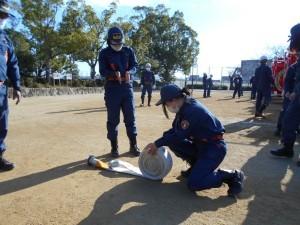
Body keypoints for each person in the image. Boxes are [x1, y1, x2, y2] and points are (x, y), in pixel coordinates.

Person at [144, 84, 244, 197]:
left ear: (173, 100)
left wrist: (157, 144)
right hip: (200, 145)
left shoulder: (192, 111)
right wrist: (159, 142)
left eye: (165, 103)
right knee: (171, 141)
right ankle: (196, 167)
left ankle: (232, 176)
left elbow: (179, 135)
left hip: (214, 148)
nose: (166, 106)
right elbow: (175, 132)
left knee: (194, 183)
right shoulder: (184, 107)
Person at [99, 26, 140, 158]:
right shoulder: (104, 53)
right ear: (109, 40)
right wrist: (112, 73)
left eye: (120, 42)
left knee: (130, 118)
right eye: (114, 43)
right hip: (112, 89)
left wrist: (130, 72)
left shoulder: (128, 51)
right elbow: (102, 71)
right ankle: (114, 147)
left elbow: (135, 66)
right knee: (113, 119)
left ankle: (133, 145)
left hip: (127, 88)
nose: (117, 45)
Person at [271, 23, 300, 160]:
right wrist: (287, 91)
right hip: (295, 98)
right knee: (288, 120)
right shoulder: (295, 66)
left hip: (298, 95)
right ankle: (288, 148)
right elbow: (288, 80)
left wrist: (297, 91)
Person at [0, 0, 22, 171]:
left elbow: (13, 63)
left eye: (5, 15)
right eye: (1, 15)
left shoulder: (5, 39)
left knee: (2, 124)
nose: (3, 18)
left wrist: (17, 86)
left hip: (1, 89)